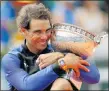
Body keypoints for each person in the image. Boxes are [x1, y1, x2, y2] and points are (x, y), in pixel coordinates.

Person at [1, 3, 100, 91]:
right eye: (38, 32)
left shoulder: (61, 50)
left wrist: (60, 56)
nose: (44, 37)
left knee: (62, 84)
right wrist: (62, 63)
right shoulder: (11, 58)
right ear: (23, 31)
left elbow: (94, 77)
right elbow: (27, 86)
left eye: (47, 30)